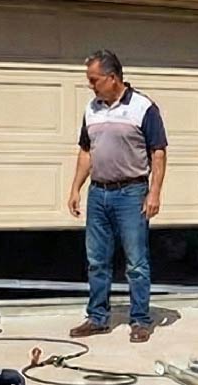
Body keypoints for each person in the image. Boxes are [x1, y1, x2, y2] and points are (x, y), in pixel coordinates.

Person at [67, 49, 168, 343]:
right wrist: (76, 187)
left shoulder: (143, 107)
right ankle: (97, 317)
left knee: (136, 262)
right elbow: (86, 151)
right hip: (99, 193)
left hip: (131, 193)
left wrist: (154, 192)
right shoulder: (92, 109)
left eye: (94, 80)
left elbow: (158, 152)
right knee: (97, 260)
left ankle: (140, 320)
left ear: (112, 78)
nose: (91, 85)